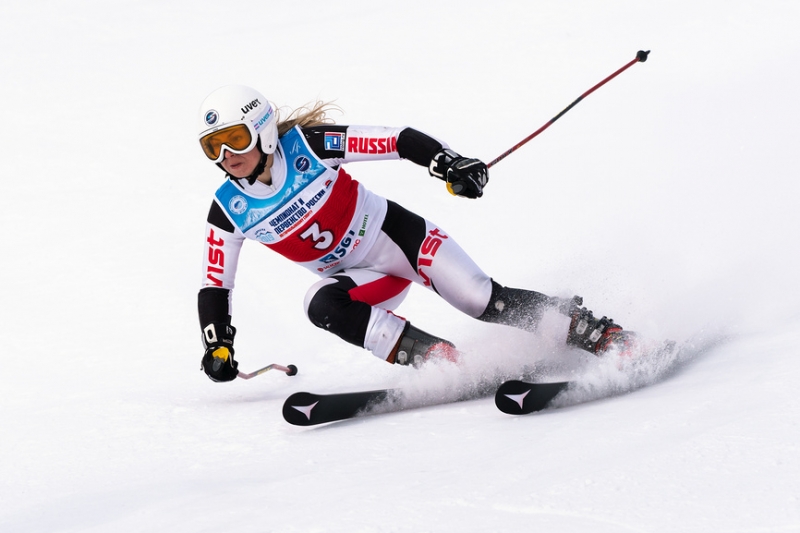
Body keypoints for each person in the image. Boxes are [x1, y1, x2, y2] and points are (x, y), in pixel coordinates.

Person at [196, 84, 632, 382]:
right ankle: (441, 361)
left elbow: (396, 140)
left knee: (481, 299)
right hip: (365, 281)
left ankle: (595, 333)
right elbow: (215, 286)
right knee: (318, 301)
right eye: (213, 146)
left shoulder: (309, 146)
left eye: (235, 138)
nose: (227, 155)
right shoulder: (229, 209)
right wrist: (217, 345)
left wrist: (449, 162)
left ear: (263, 131)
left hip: (401, 240)